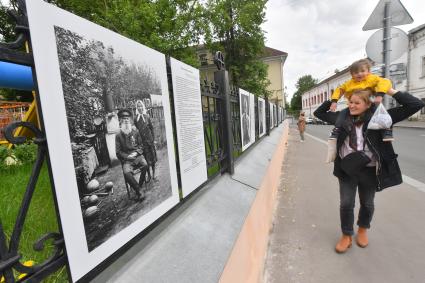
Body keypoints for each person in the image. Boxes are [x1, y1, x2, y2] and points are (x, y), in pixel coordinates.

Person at [314, 88, 424, 253]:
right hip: (347, 169)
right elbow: (319, 112)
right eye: (350, 102)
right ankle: (346, 234)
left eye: (357, 103)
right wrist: (335, 98)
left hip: (369, 170)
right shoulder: (341, 116)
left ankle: (363, 229)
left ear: (367, 104)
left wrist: (389, 90)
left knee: (367, 203)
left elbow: (416, 104)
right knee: (346, 204)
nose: (351, 105)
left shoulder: (380, 118)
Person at [329, 59, 394, 142]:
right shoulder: (349, 83)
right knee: (343, 113)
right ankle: (336, 130)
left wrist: (380, 95)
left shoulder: (372, 79)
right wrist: (334, 101)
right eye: (356, 72)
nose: (359, 74)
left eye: (362, 71)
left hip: (370, 103)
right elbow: (339, 90)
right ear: (352, 74)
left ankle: (386, 131)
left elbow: (385, 82)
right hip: (355, 105)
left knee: (381, 113)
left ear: (368, 71)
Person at [115, 109, 148, 200]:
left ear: (130, 119)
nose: (126, 120)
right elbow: (118, 152)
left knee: (145, 165)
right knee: (126, 173)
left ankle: (139, 185)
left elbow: (141, 146)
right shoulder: (118, 135)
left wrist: (136, 153)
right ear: (120, 121)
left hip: (137, 156)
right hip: (127, 160)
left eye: (127, 118)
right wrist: (127, 156)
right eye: (123, 118)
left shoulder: (135, 131)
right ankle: (139, 190)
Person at [134, 100, 157, 181]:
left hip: (150, 141)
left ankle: (154, 174)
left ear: (142, 107)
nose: (140, 108)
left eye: (141, 106)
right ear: (136, 108)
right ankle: (149, 175)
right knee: (146, 160)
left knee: (153, 159)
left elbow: (151, 128)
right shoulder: (136, 118)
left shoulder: (147, 116)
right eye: (138, 106)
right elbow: (137, 131)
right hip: (143, 143)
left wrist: (153, 140)